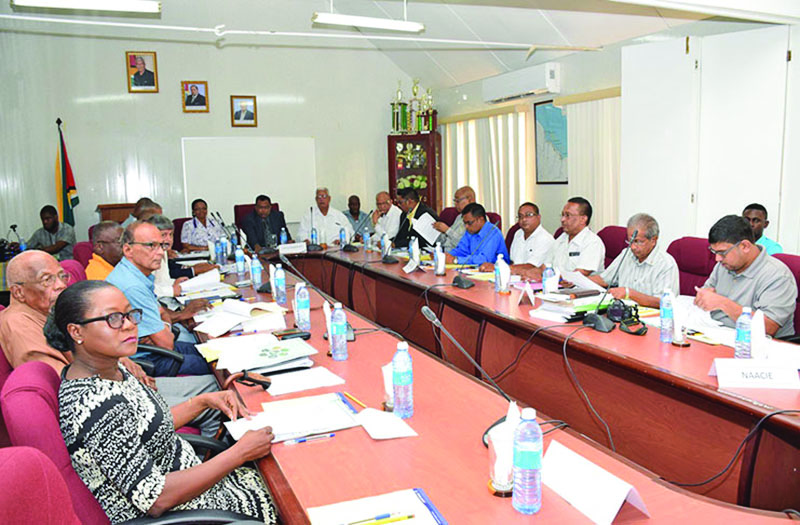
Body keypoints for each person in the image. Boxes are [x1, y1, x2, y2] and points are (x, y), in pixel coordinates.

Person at [48, 280, 277, 523]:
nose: (129, 326)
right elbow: (156, 499)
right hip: (186, 512)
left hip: (196, 489)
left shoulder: (111, 369)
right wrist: (239, 453)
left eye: (130, 315)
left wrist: (201, 402)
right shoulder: (96, 407)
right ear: (76, 332)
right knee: (297, 493)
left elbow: (146, 426)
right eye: (113, 319)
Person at [0, 250, 223, 438]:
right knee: (216, 397)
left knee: (217, 385)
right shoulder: (19, 325)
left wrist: (122, 363)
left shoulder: (49, 311)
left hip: (123, 383)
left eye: (61, 276)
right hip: (116, 403)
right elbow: (69, 390)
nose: (60, 286)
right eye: (47, 280)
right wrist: (122, 372)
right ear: (18, 292)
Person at [106, 222, 210, 376]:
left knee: (212, 350)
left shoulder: (136, 274)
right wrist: (162, 329)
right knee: (215, 366)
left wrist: (160, 328)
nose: (161, 252)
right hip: (148, 358)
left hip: (155, 348)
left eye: (161, 246)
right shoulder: (132, 286)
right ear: (128, 249)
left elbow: (163, 314)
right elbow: (167, 343)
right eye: (151, 246)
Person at [695, 215, 797, 338]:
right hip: (716, 334)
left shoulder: (778, 275)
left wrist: (723, 303)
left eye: (722, 252)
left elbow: (768, 327)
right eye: (714, 252)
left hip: (756, 344)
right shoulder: (724, 265)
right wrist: (703, 297)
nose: (717, 259)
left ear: (745, 246)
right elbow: (706, 294)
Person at [588, 213, 679, 308]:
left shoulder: (666, 264)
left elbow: (663, 302)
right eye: (630, 241)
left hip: (649, 319)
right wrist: (575, 281)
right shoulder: (626, 254)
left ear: (653, 240)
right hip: (622, 313)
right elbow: (604, 280)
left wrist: (630, 293)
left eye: (638, 241)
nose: (632, 247)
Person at [548, 197, 605, 277]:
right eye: (562, 215)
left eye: (568, 215)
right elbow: (546, 266)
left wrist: (554, 277)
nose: (562, 219)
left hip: (580, 288)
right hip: (558, 286)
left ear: (583, 219)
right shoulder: (562, 238)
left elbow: (578, 275)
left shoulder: (592, 242)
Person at [500, 202, 555, 275]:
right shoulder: (518, 234)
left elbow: (531, 267)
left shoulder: (545, 238)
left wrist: (501, 268)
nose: (524, 219)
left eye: (529, 215)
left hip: (536, 281)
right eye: (520, 216)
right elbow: (513, 261)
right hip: (515, 277)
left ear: (538, 217)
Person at [433, 186, 475, 251]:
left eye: (458, 201)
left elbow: (467, 245)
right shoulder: (459, 217)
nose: (455, 204)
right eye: (454, 201)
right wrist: (439, 232)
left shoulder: (477, 219)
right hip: (445, 253)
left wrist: (447, 230)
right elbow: (447, 239)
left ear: (470, 200)